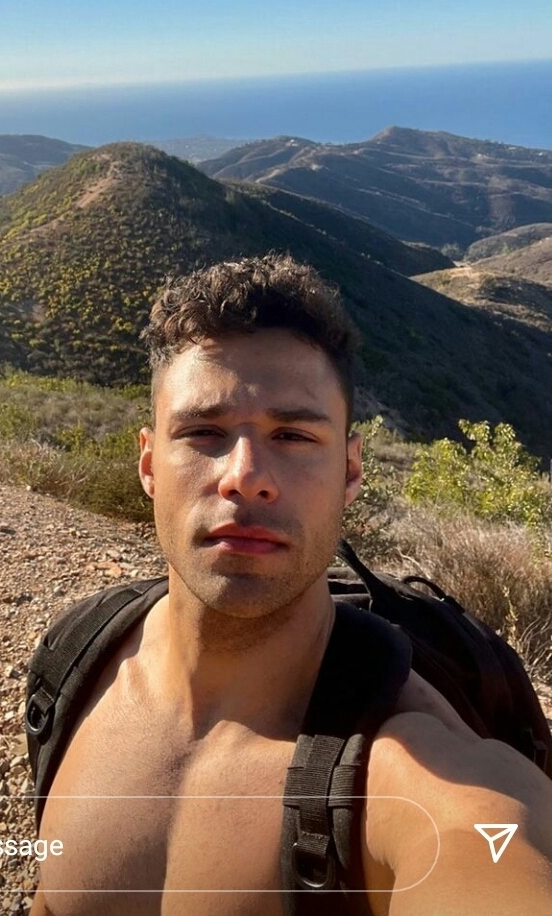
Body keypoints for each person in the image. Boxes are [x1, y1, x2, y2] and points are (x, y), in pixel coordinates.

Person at [30, 253, 552, 915]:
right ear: (149, 464)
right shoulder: (74, 665)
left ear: (351, 473)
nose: (245, 477)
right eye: (203, 432)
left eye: (294, 435)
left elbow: (490, 849)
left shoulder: (421, 771)